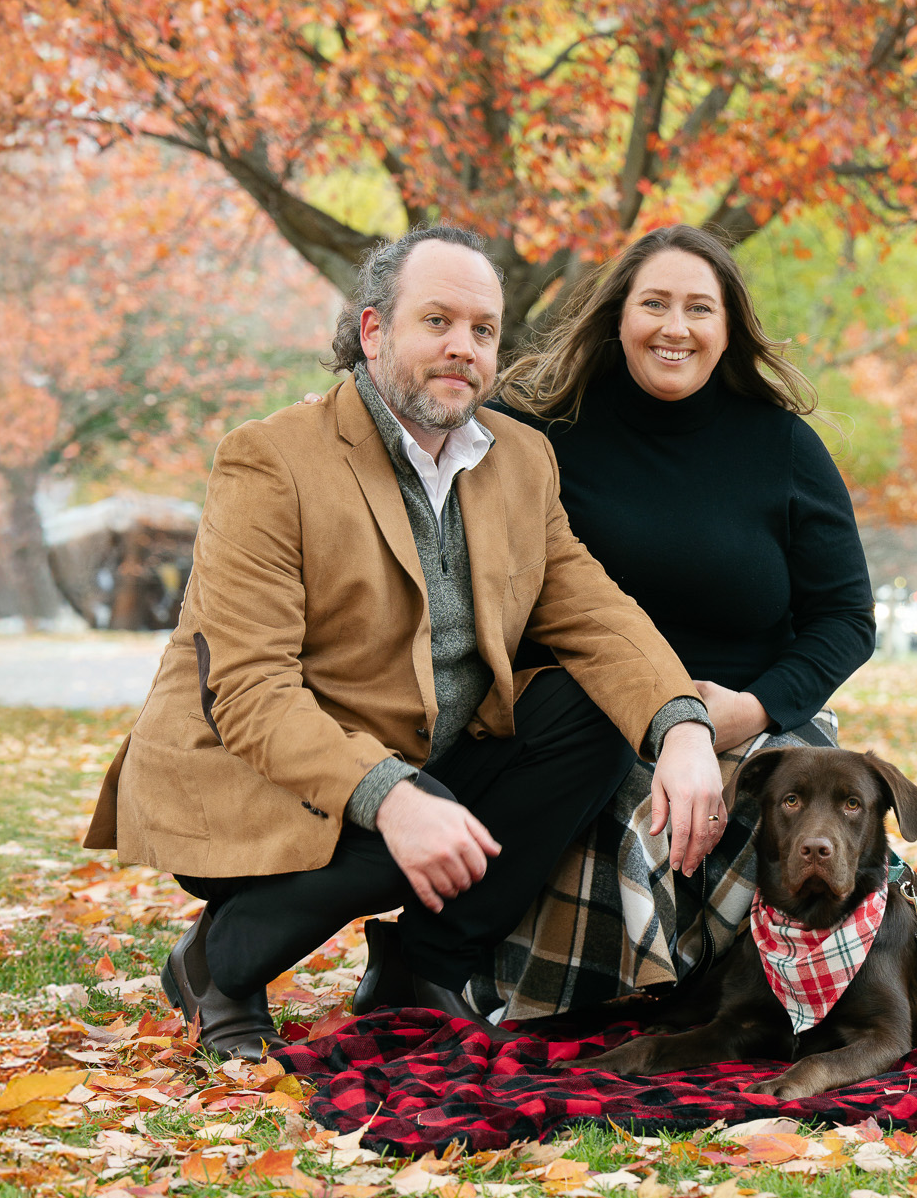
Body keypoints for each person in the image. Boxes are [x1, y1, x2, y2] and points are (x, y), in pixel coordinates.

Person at [84, 225, 725, 1060]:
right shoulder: (271, 461)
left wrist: (682, 727)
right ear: (373, 330)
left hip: (428, 757)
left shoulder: (519, 460)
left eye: (483, 330)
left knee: (591, 711)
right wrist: (393, 795)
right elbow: (250, 694)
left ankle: (419, 972)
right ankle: (218, 966)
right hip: (254, 771)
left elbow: (595, 615)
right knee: (411, 823)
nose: (463, 348)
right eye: (437, 322)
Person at [487, 222, 876, 1018]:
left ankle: (756, 1003)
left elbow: (845, 617)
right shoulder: (538, 431)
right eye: (654, 303)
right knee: (621, 802)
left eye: (699, 308)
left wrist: (754, 708)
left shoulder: (783, 447)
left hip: (753, 712)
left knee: (786, 807)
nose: (675, 327)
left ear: (727, 329)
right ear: (616, 317)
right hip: (591, 710)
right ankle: (606, 1005)